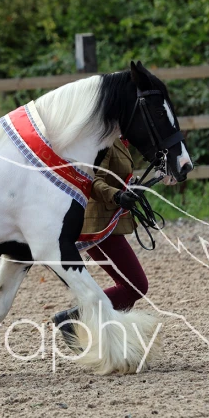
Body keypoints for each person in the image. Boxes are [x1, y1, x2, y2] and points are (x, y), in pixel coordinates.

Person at [53, 138, 149, 331]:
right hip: (99, 227)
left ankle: (107, 331)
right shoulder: (105, 142)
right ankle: (74, 319)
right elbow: (94, 181)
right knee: (135, 285)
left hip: (109, 224)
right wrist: (117, 195)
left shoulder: (120, 141)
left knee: (130, 288)